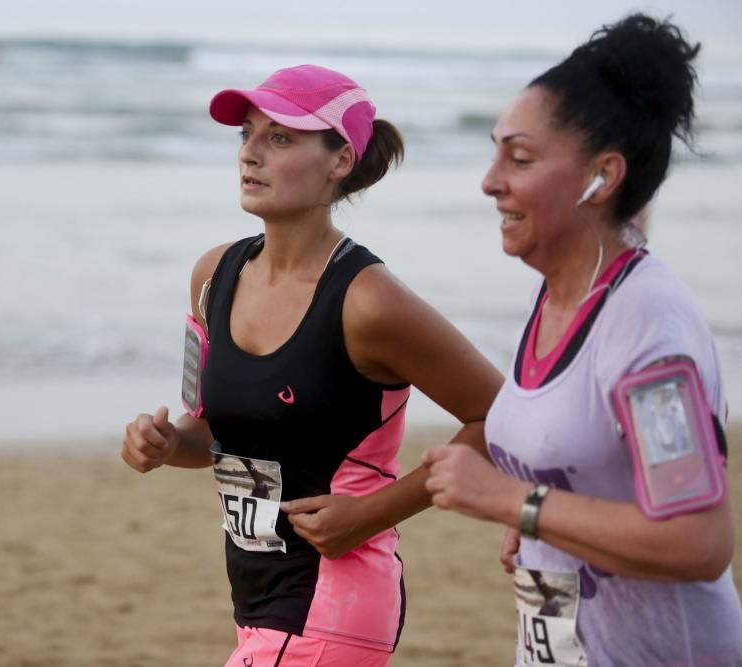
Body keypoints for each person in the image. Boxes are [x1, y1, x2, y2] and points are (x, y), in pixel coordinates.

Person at [121, 64, 503, 666]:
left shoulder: (369, 302)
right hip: (255, 605)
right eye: (245, 134)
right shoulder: (212, 278)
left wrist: (371, 514)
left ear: (340, 160)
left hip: (334, 601)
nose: (250, 154)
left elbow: (500, 417)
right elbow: (210, 431)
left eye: (279, 138)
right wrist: (167, 443)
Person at [421, 14, 742, 666]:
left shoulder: (648, 330)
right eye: (494, 153)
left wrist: (512, 498)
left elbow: (697, 538)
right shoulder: (561, 295)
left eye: (520, 157)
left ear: (603, 176)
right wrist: (539, 524)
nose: (489, 181)